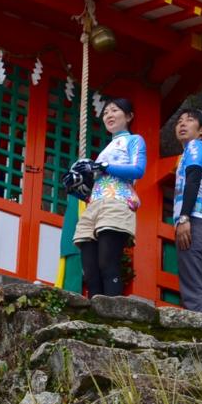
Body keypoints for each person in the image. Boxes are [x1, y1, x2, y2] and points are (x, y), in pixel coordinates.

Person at [73, 97, 146, 297]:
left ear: (129, 116)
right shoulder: (106, 149)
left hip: (117, 201)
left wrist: (105, 167)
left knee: (107, 262)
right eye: (106, 113)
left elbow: (138, 170)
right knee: (90, 268)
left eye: (114, 110)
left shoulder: (134, 140)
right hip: (95, 204)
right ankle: (95, 314)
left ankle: (112, 313)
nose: (109, 115)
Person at [172, 107, 202, 313]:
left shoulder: (196, 146)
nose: (182, 124)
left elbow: (193, 176)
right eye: (179, 121)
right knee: (201, 283)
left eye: (189, 120)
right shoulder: (195, 151)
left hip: (197, 221)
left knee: (196, 288)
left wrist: (184, 218)